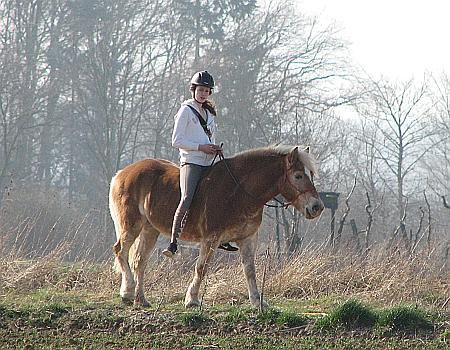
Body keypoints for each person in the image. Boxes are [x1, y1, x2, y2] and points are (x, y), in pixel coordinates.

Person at [162, 71, 238, 257]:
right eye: (201, 89)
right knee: (187, 197)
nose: (203, 93)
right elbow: (176, 140)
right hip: (192, 161)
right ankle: (173, 242)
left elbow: (208, 136)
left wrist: (213, 148)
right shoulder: (186, 111)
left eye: (206, 90)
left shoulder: (209, 113)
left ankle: (223, 238)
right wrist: (200, 147)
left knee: (225, 192)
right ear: (193, 90)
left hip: (209, 160)